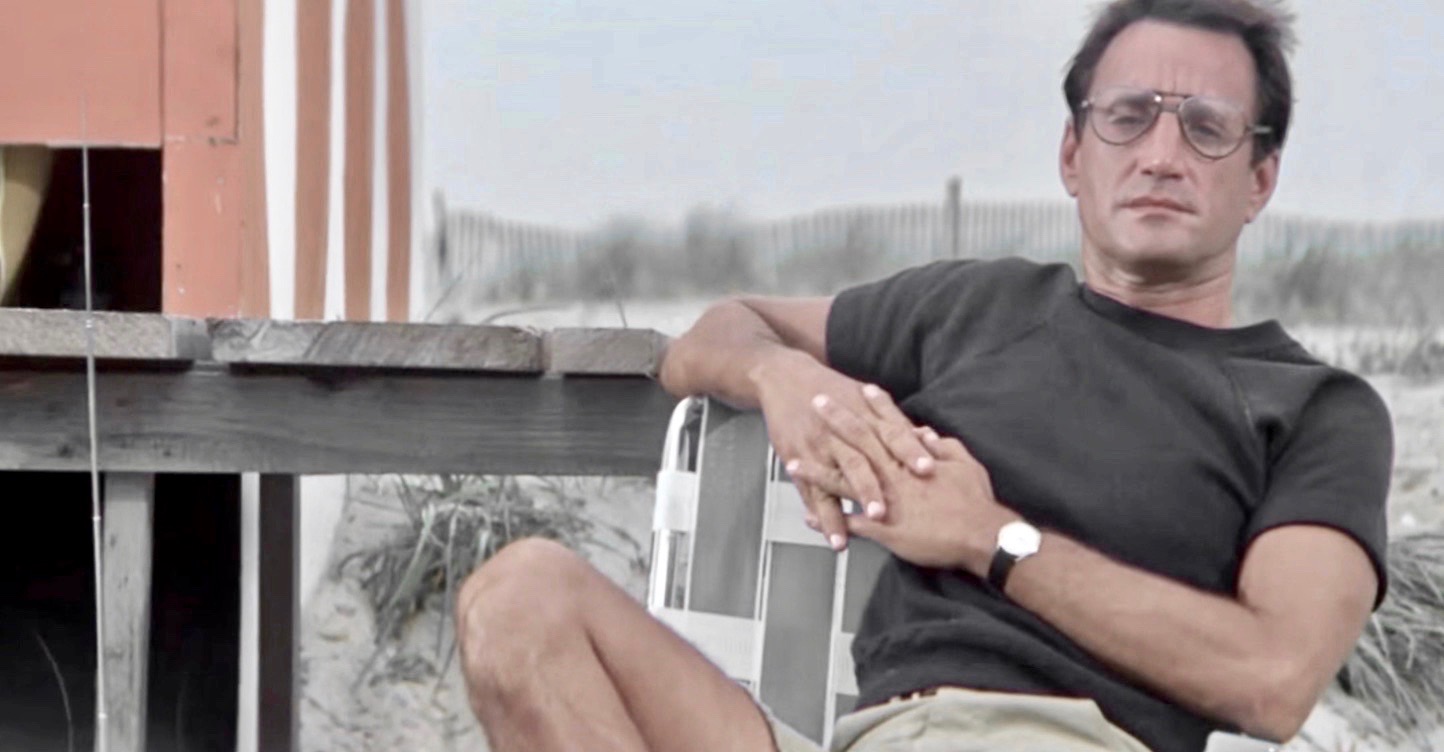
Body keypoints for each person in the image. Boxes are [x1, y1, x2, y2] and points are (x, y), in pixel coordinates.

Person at [452, 1, 1392, 750]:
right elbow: (707, 338)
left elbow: (1272, 679)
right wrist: (788, 380)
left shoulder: (1311, 409)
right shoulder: (975, 308)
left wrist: (991, 538)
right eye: (1128, 116)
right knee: (521, 600)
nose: (1160, 155)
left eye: (1207, 129)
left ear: (1260, 179)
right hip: (873, 735)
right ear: (1074, 155)